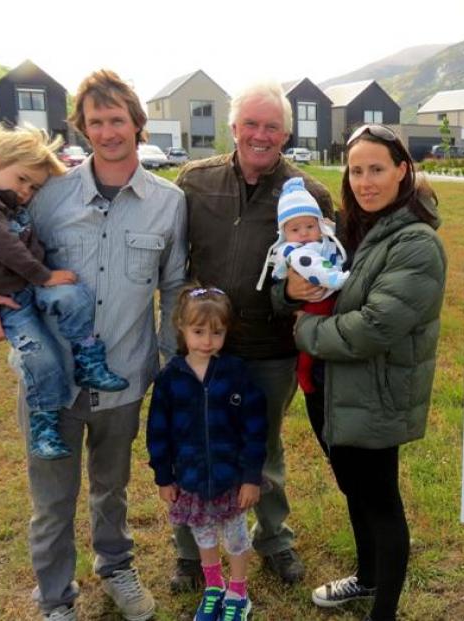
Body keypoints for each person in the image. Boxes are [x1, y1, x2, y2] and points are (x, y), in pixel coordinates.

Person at [0, 69, 187, 621]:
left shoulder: (168, 202)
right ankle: (56, 599)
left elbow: (174, 285)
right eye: (96, 121)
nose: (108, 132)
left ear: (138, 125)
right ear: (81, 129)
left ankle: (116, 568)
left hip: (125, 375)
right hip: (49, 382)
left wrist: (171, 360)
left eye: (118, 120)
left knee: (112, 488)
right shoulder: (45, 195)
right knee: (52, 502)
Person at [171, 79, 333, 588]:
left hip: (269, 350)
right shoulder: (194, 182)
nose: (260, 135)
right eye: (251, 125)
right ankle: (191, 552)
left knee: (262, 447)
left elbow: (321, 279)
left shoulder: (310, 196)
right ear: (234, 127)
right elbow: (174, 260)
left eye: (272, 127)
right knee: (191, 441)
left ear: (285, 134)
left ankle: (273, 540)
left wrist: (291, 298)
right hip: (202, 346)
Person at [287, 124, 447, 621]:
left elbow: (373, 327)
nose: (364, 181)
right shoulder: (352, 232)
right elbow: (301, 281)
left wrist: (303, 331)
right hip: (331, 390)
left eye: (376, 169)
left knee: (380, 501)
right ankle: (367, 577)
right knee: (355, 490)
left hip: (376, 391)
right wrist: (291, 293)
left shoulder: (416, 244)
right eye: (356, 171)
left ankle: (385, 612)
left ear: (403, 170)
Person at [0, 125, 129, 460]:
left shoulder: (6, 203)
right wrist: (44, 276)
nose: (26, 192)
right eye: (21, 180)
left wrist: (47, 279)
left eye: (33, 187)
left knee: (72, 295)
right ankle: (44, 424)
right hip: (13, 301)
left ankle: (88, 357)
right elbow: (5, 249)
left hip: (31, 286)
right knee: (40, 357)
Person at [147, 286, 267, 621]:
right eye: (198, 331)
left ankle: (238, 592)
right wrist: (164, 477)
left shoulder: (236, 374)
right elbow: (157, 432)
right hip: (191, 479)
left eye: (217, 332)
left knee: (236, 538)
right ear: (181, 329)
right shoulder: (171, 377)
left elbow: (255, 430)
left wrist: (250, 477)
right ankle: (214, 587)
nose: (207, 340)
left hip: (231, 480)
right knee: (203, 535)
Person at [255, 177, 348, 454]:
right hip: (312, 310)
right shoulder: (296, 252)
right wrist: (340, 279)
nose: (305, 233)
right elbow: (314, 273)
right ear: (284, 231)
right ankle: (305, 378)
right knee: (306, 357)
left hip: (331, 324)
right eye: (296, 229)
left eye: (310, 226)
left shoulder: (322, 221)